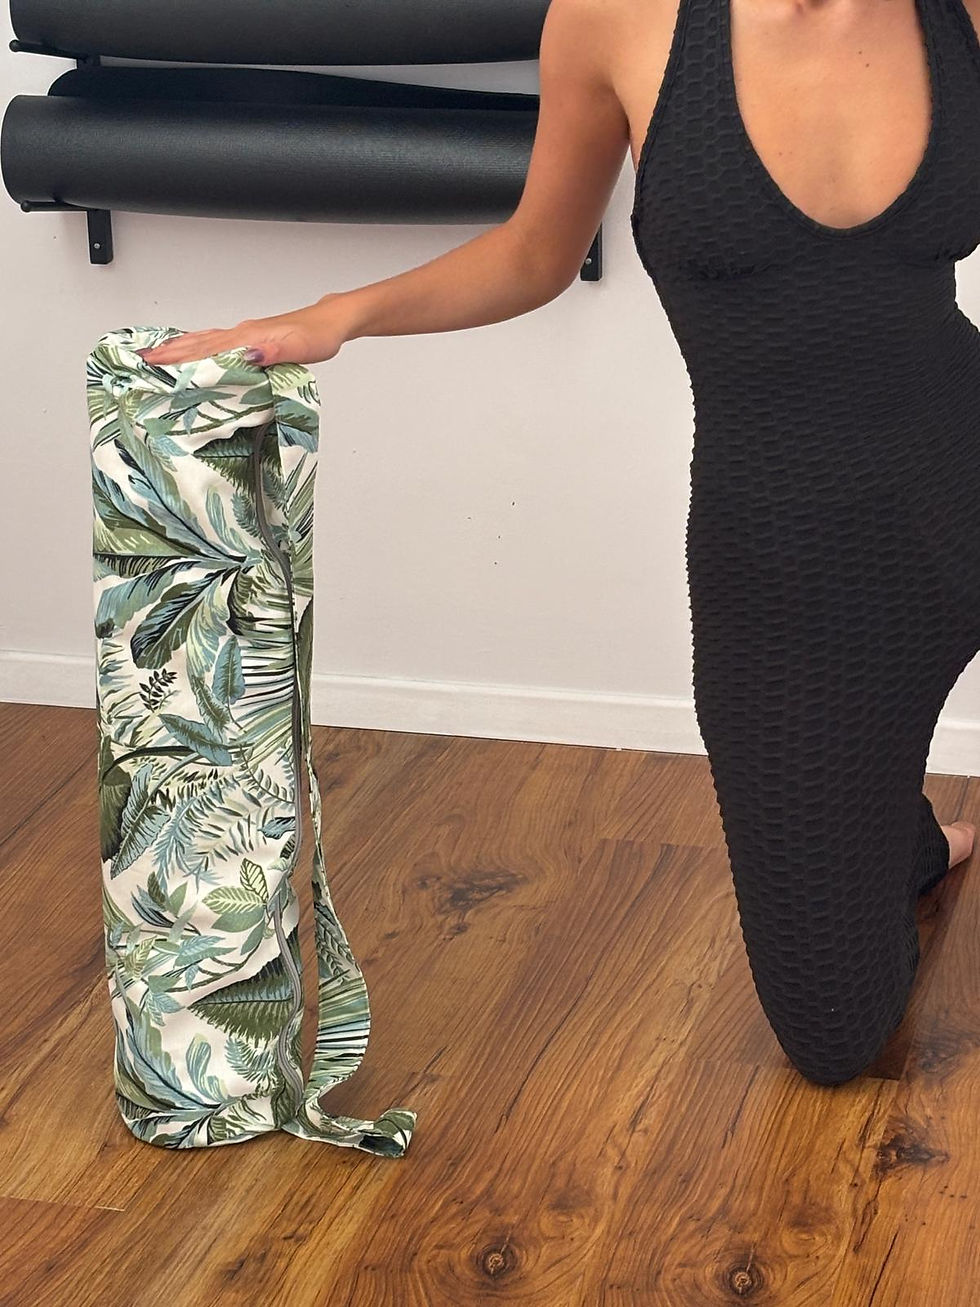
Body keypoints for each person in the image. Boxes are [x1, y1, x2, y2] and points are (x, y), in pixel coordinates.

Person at [136, 0, 980, 1085]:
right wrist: (336, 315)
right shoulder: (617, 19)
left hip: (958, 474)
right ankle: (895, 836)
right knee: (833, 1037)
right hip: (783, 563)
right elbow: (536, 251)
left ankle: (869, 808)